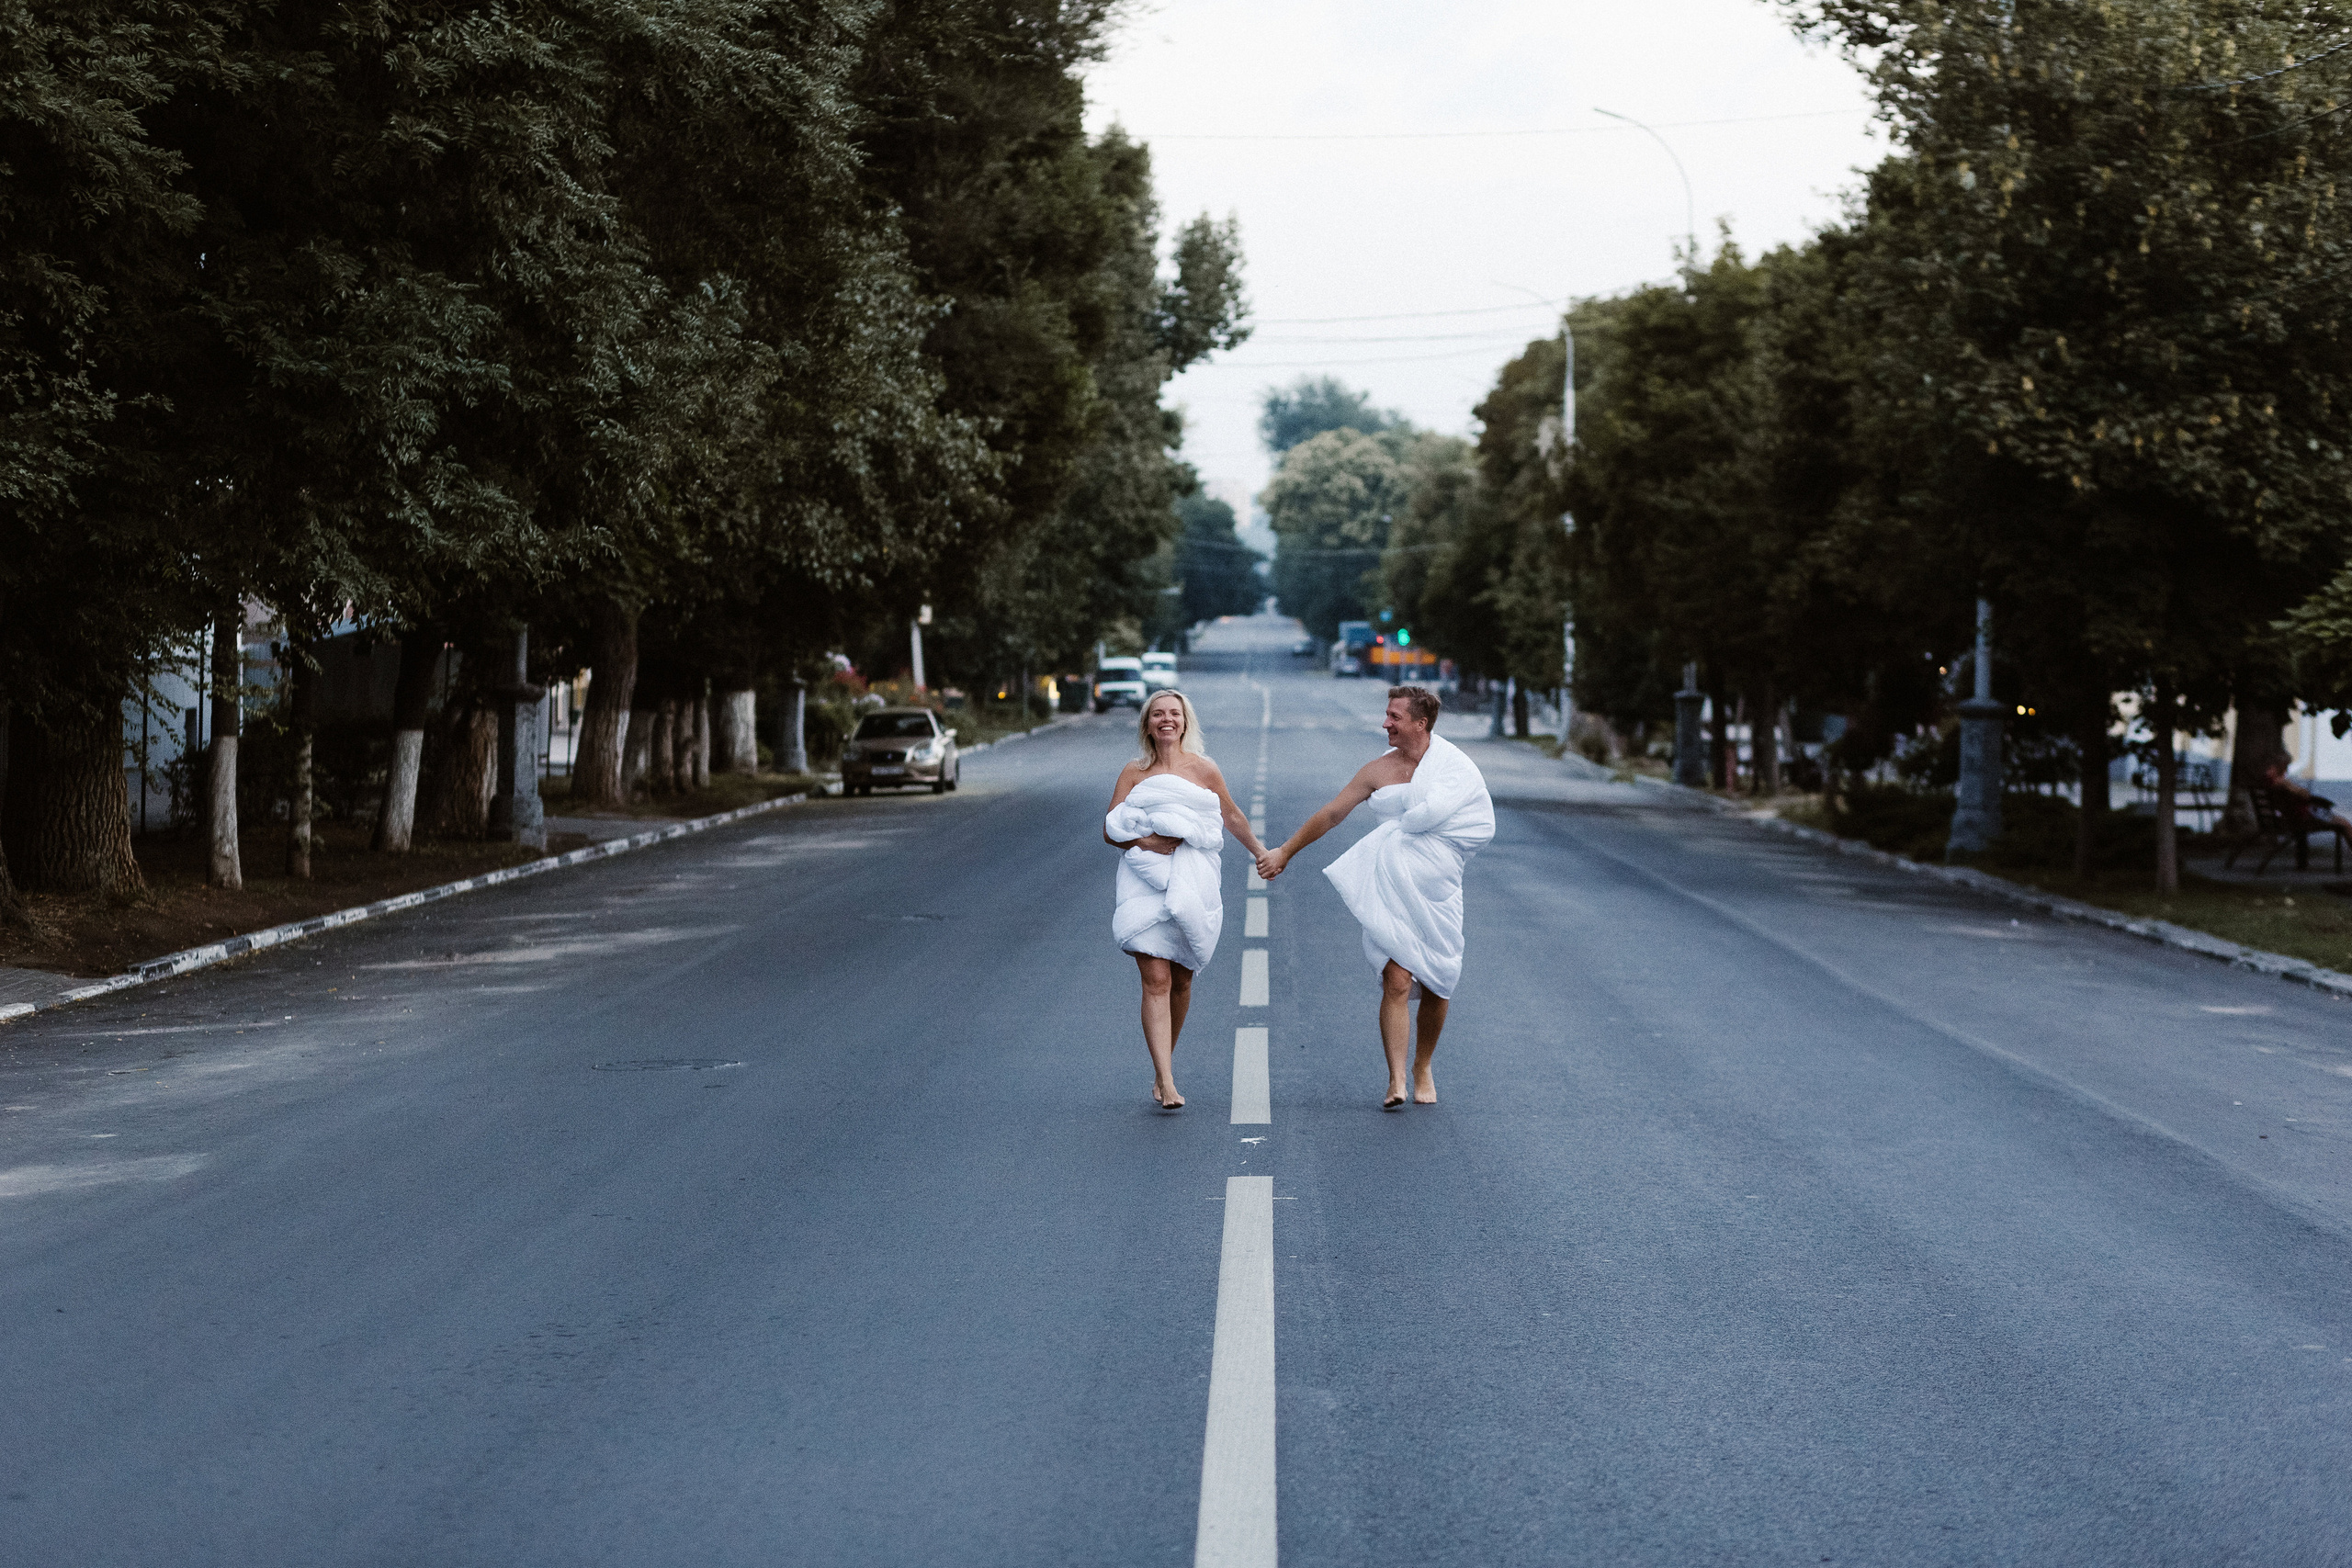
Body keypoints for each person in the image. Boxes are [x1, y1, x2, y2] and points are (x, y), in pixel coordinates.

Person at [1256, 685, 1493, 1110]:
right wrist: (1285, 851)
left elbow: (1475, 822)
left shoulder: (1453, 768)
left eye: (1394, 717)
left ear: (1421, 723)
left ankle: (1423, 1065)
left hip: (1438, 891)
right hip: (1389, 889)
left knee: (1439, 981)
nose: (1386, 723)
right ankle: (1396, 1077)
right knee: (1396, 979)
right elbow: (1332, 813)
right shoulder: (1376, 771)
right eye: (1387, 715)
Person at [1105, 689, 1267, 1111]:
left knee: (1181, 980)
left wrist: (1260, 852)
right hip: (1144, 879)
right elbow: (1111, 829)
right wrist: (1147, 842)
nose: (1166, 720)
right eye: (1158, 714)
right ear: (1147, 724)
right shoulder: (1134, 772)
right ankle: (1166, 1078)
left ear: (1185, 722)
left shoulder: (1204, 769)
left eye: (1174, 713)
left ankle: (1164, 1065)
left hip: (1193, 878)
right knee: (1156, 979)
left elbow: (1230, 815)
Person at [2260, 750, 2352, 852]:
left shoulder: (2268, 780)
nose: (2286, 770)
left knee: (2341, 821)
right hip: (2301, 818)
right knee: (2345, 824)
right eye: (2285, 766)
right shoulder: (2281, 782)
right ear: (2280, 765)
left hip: (2293, 816)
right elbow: (2304, 795)